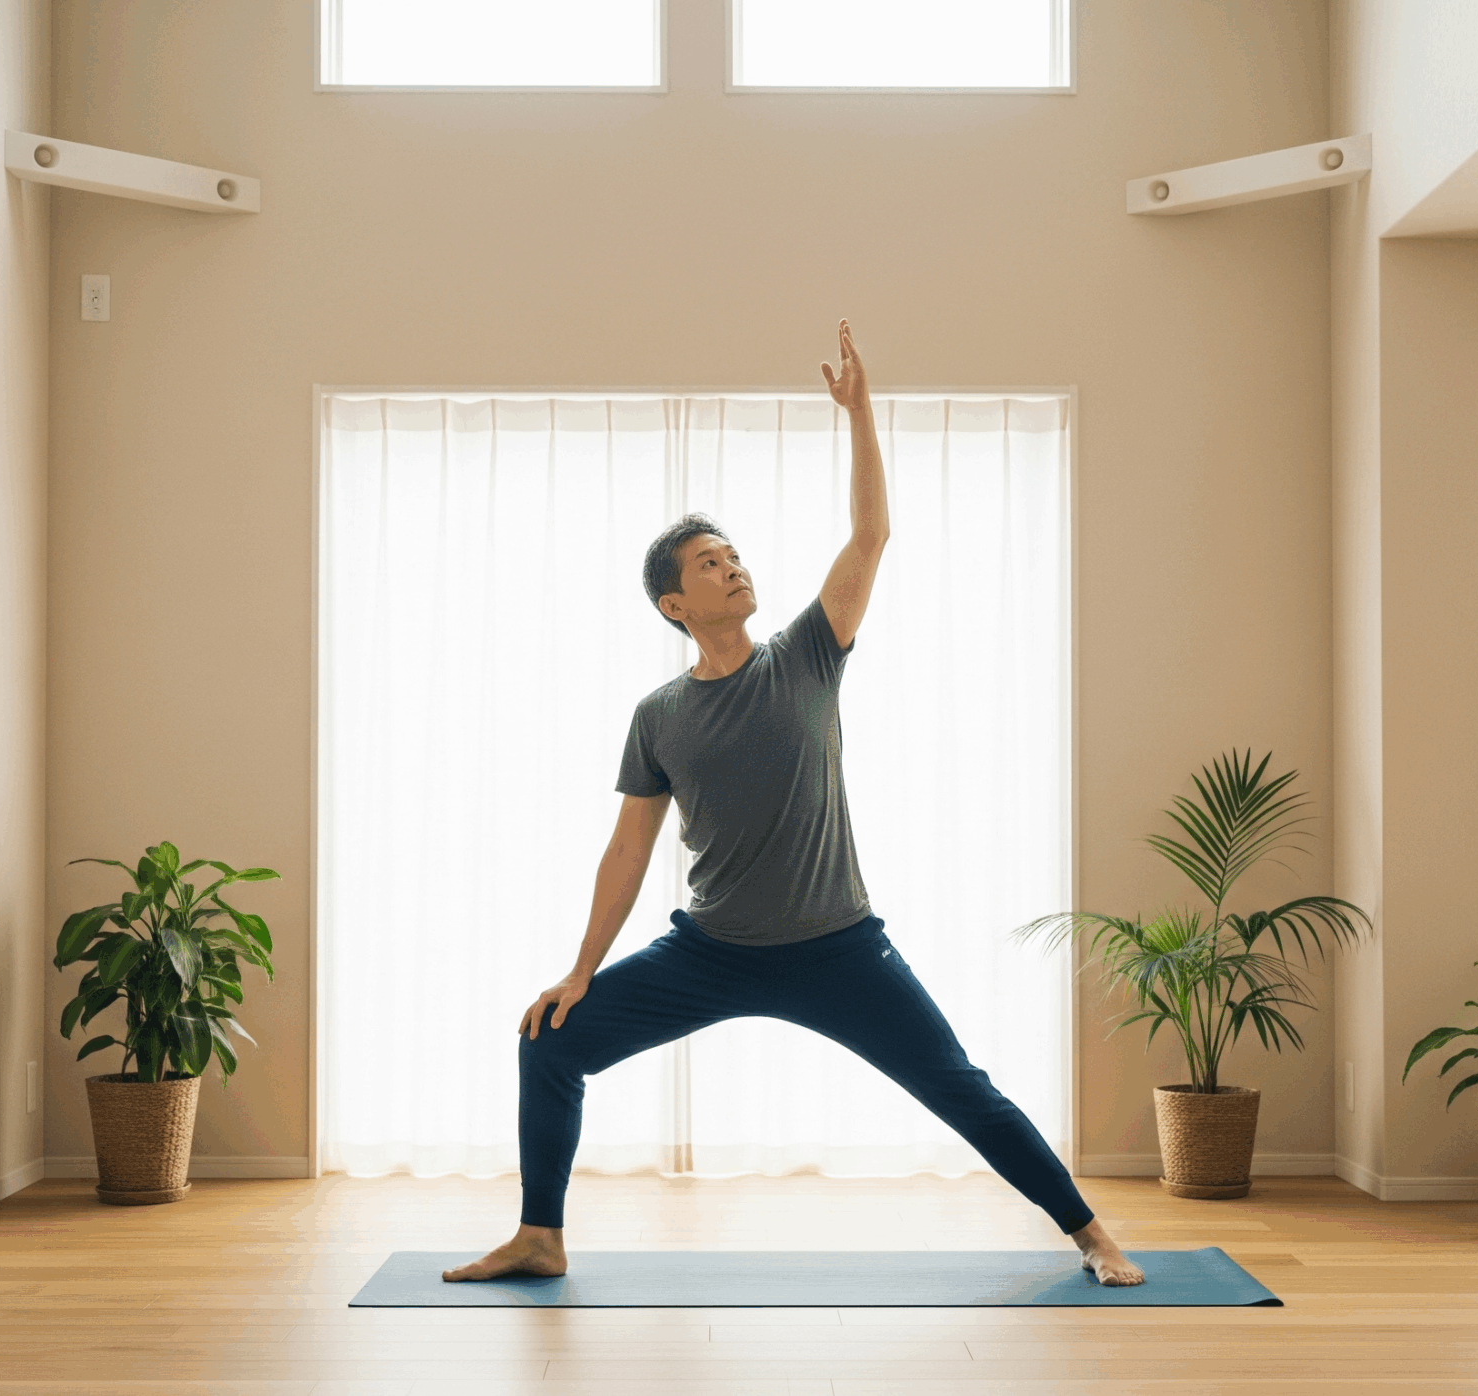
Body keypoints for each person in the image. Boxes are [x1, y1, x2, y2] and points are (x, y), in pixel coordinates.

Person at [444, 321, 1144, 1287]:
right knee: (548, 1042)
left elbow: (871, 536)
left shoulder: (808, 656)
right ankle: (540, 1236)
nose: (732, 566)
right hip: (710, 953)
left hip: (837, 948)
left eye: (734, 555)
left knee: (958, 1088)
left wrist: (860, 413)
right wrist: (579, 971)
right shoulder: (657, 715)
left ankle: (1090, 1234)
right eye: (708, 562)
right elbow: (627, 852)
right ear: (672, 605)